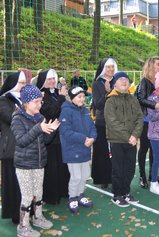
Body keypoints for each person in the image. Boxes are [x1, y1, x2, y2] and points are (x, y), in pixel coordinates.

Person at [11, 84, 60, 237]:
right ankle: (23, 227)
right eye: (37, 101)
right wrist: (39, 128)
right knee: (27, 197)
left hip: (39, 163)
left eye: (41, 101)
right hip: (24, 164)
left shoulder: (40, 117)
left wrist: (51, 130)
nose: (40, 104)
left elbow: (44, 141)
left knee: (38, 193)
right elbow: (21, 141)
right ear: (26, 102)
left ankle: (38, 217)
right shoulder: (18, 119)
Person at [104, 72, 143, 207]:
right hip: (117, 141)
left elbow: (139, 118)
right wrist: (128, 137)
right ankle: (117, 194)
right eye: (121, 79)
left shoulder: (133, 99)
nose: (124, 81)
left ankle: (126, 192)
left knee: (130, 168)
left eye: (126, 79)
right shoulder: (110, 100)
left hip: (131, 140)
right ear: (114, 84)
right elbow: (112, 122)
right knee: (118, 169)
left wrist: (135, 135)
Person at [59, 86, 97, 213]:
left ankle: (80, 195)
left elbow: (92, 126)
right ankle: (72, 197)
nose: (83, 99)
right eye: (79, 97)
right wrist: (84, 139)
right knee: (76, 177)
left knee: (84, 175)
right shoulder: (66, 111)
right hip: (72, 150)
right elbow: (66, 131)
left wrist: (92, 138)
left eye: (83, 96)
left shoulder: (85, 111)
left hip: (85, 149)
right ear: (72, 98)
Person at [136, 56, 159, 188]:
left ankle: (152, 175)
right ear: (151, 66)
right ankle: (142, 176)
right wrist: (157, 105)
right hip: (146, 120)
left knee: (154, 149)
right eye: (157, 64)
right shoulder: (145, 81)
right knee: (144, 148)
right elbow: (140, 99)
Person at [36, 69, 70, 204]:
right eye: (49, 79)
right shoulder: (41, 95)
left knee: (63, 166)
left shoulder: (57, 92)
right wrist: (62, 97)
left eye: (53, 79)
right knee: (51, 167)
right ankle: (51, 196)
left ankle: (63, 191)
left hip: (62, 135)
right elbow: (51, 112)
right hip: (50, 136)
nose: (51, 81)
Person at [0, 71, 26, 224]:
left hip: (24, 145)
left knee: (25, 182)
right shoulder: (3, 100)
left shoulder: (22, 99)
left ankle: (26, 210)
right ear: (14, 85)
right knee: (13, 181)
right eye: (21, 83)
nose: (24, 86)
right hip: (10, 147)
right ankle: (15, 213)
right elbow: (12, 119)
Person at [91, 58, 118, 189]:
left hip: (116, 123)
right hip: (102, 122)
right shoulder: (97, 84)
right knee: (102, 151)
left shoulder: (118, 82)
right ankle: (103, 178)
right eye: (108, 67)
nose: (111, 69)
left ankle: (115, 176)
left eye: (112, 67)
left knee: (115, 151)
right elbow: (98, 104)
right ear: (103, 69)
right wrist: (108, 92)